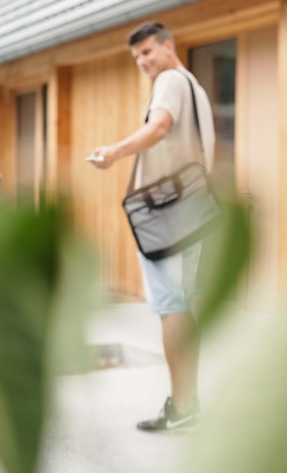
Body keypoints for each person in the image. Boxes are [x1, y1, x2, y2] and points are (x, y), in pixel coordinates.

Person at [88, 21, 215, 431]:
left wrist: (113, 152)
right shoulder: (194, 85)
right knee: (180, 305)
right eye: (136, 56)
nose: (142, 62)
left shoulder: (170, 81)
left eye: (147, 52)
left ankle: (182, 407)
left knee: (171, 308)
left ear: (168, 46)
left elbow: (158, 125)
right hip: (190, 214)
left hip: (168, 218)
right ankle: (187, 401)